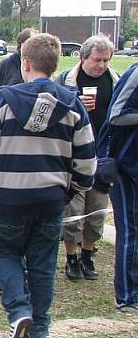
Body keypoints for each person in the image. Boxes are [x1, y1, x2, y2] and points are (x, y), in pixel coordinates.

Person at [0, 33, 96, 338]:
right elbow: (87, 163)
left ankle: (18, 310)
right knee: (42, 263)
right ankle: (39, 326)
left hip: (7, 198)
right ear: (55, 66)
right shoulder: (73, 105)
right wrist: (71, 190)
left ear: (24, 64)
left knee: (2, 252)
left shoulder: (3, 102)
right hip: (50, 199)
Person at [56, 35, 119, 281]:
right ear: (83, 58)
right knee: (73, 210)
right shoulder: (65, 80)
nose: (101, 65)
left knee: (97, 210)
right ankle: (70, 258)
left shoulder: (115, 81)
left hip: (102, 155)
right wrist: (75, 105)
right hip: (73, 155)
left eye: (105, 60)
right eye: (96, 60)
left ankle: (87, 254)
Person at [102, 60, 138, 313]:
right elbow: (116, 114)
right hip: (126, 165)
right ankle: (126, 296)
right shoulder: (135, 74)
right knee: (129, 229)